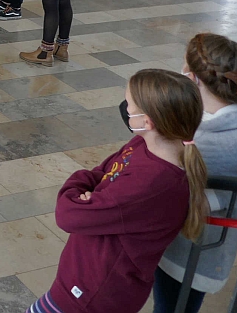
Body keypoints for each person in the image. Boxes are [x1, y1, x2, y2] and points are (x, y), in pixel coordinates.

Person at [27, 68, 207, 313]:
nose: (126, 109)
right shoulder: (141, 144)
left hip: (93, 296)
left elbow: (69, 215)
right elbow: (100, 172)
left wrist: (82, 192)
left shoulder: (152, 184)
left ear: (148, 121)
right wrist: (92, 191)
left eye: (130, 105)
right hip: (83, 285)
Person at [154, 33, 237, 313]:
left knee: (171, 306)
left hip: (184, 248)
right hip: (210, 249)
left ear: (192, 77)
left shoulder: (200, 142)